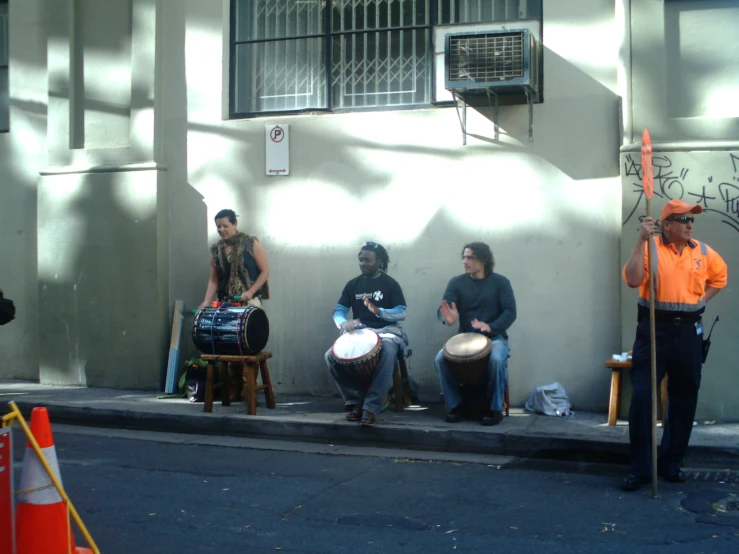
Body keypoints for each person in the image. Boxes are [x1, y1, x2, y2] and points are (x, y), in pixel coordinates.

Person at [620, 199, 728, 491]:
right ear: (666, 224)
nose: (689, 224)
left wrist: (701, 300)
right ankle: (641, 468)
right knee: (643, 397)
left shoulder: (703, 251)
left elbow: (720, 277)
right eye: (682, 219)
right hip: (654, 329)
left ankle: (671, 462)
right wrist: (641, 240)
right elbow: (632, 280)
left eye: (691, 219)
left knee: (684, 397)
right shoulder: (651, 247)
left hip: (689, 331)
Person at [325, 242, 408, 427]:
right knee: (330, 356)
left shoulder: (390, 284)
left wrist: (380, 312)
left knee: (387, 351)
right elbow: (339, 309)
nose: (363, 263)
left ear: (379, 262)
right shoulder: (353, 284)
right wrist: (342, 323)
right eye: (361, 260)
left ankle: (371, 406)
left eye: (367, 260)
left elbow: (402, 312)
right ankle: (355, 401)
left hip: (387, 331)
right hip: (361, 332)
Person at [434, 242, 516, 426]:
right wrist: (447, 318)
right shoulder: (457, 282)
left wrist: (491, 326)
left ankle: (495, 409)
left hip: (495, 338)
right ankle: (455, 406)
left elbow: (510, 312)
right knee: (440, 360)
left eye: (470, 257)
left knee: (495, 360)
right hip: (465, 339)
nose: (465, 261)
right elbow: (444, 309)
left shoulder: (501, 282)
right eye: (464, 257)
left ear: (484, 259)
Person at [198, 209, 270, 310]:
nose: (221, 230)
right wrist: (207, 301)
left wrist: (251, 292)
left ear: (235, 224)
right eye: (218, 227)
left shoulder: (250, 243)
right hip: (225, 302)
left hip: (250, 302)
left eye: (225, 226)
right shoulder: (216, 250)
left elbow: (265, 271)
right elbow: (214, 279)